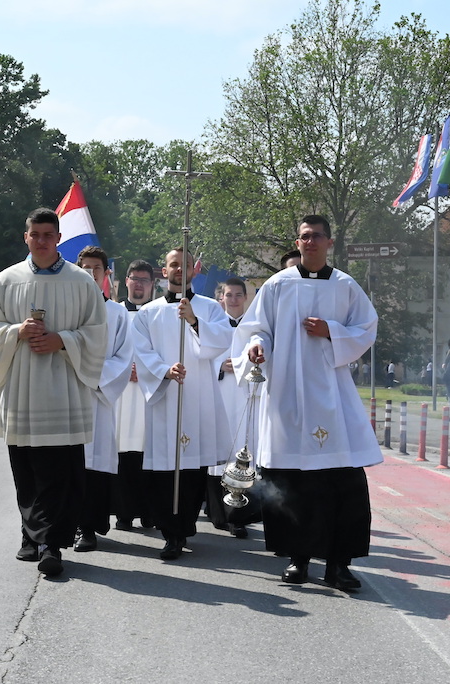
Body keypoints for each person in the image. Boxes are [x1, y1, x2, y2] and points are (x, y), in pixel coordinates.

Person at [234, 214, 382, 592]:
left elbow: (367, 328)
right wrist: (256, 347)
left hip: (333, 394)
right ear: (297, 242)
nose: (310, 241)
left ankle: (338, 565)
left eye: (317, 236)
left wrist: (332, 330)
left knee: (342, 481)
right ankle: (297, 559)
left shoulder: (345, 286)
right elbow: (256, 328)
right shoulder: (278, 284)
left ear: (329, 242)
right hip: (287, 393)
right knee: (291, 482)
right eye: (304, 236)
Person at [0, 208, 107, 578]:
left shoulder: (81, 282)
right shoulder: (5, 281)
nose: (41, 241)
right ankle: (29, 535)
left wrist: (62, 340)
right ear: (26, 237)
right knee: (26, 472)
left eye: (48, 235)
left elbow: (98, 333)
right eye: (35, 234)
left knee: (60, 473)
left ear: (59, 238)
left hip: (63, 391)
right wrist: (16, 332)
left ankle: (51, 544)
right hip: (22, 389)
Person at [133, 247, 233, 560]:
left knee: (192, 469)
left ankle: (186, 524)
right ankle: (170, 533)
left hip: (198, 397)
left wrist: (194, 322)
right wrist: (164, 370)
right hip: (166, 398)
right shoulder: (148, 313)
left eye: (185, 264)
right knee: (166, 469)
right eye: (173, 265)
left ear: (194, 270)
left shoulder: (209, 308)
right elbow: (141, 351)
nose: (179, 269)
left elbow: (222, 340)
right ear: (164, 272)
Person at [74, 246, 133, 552]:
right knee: (68, 466)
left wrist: (91, 374)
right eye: (86, 267)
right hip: (68, 397)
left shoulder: (117, 313)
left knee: (94, 465)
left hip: (98, 400)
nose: (91, 273)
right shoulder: (67, 309)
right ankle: (64, 525)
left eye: (97, 268)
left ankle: (88, 528)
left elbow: (123, 359)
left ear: (106, 273)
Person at [206, 276, 254, 539]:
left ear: (245, 298)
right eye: (228, 295)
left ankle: (238, 517)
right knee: (219, 453)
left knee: (241, 453)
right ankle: (217, 513)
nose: (233, 300)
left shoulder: (254, 327)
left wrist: (244, 365)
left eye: (238, 295)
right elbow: (204, 356)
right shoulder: (214, 326)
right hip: (220, 393)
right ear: (221, 298)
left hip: (245, 395)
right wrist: (219, 365)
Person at [113, 259, 156, 531]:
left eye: (144, 280)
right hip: (120, 394)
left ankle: (149, 512)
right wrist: (122, 370)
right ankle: (123, 512)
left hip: (148, 393)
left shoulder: (159, 314)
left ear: (152, 285)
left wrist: (147, 370)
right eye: (135, 278)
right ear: (126, 281)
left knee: (147, 454)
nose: (139, 284)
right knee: (121, 454)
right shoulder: (115, 313)